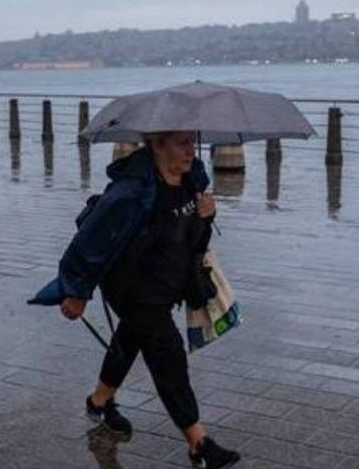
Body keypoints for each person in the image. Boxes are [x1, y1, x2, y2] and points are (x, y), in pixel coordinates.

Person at [30, 130, 242, 469]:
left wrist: (207, 214)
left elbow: (194, 240)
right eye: (181, 143)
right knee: (167, 357)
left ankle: (99, 402)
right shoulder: (132, 192)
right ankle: (198, 444)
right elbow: (90, 242)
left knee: (130, 338)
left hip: (167, 286)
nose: (190, 150)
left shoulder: (193, 182)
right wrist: (77, 291)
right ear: (158, 145)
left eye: (191, 142)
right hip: (133, 289)